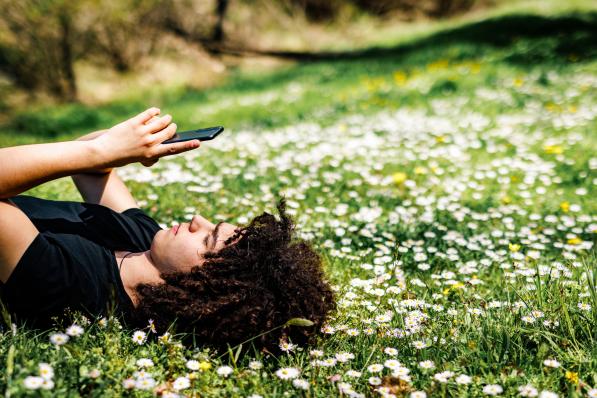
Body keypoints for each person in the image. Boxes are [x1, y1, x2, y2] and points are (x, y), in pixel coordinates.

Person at [0, 107, 335, 350]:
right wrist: (120, 147)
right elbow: (92, 172)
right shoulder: (144, 243)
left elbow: (89, 157)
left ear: (206, 287)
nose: (196, 220)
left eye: (207, 238)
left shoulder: (71, 286)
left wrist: (98, 151)